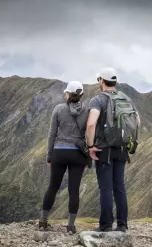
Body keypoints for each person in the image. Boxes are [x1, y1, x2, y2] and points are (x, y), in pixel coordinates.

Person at [85, 67, 140, 233]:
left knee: (106, 188)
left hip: (105, 150)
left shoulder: (98, 100)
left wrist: (90, 146)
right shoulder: (126, 98)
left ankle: (106, 225)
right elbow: (137, 121)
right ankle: (122, 225)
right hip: (122, 149)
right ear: (115, 82)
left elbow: (91, 124)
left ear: (102, 81)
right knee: (120, 187)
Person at [39, 81, 90, 234]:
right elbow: (89, 134)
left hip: (59, 152)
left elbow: (52, 134)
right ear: (81, 95)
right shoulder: (87, 111)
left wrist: (49, 156)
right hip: (78, 154)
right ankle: (70, 226)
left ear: (68, 94)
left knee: (53, 187)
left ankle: (42, 222)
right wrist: (88, 158)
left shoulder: (59, 109)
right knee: (74, 190)